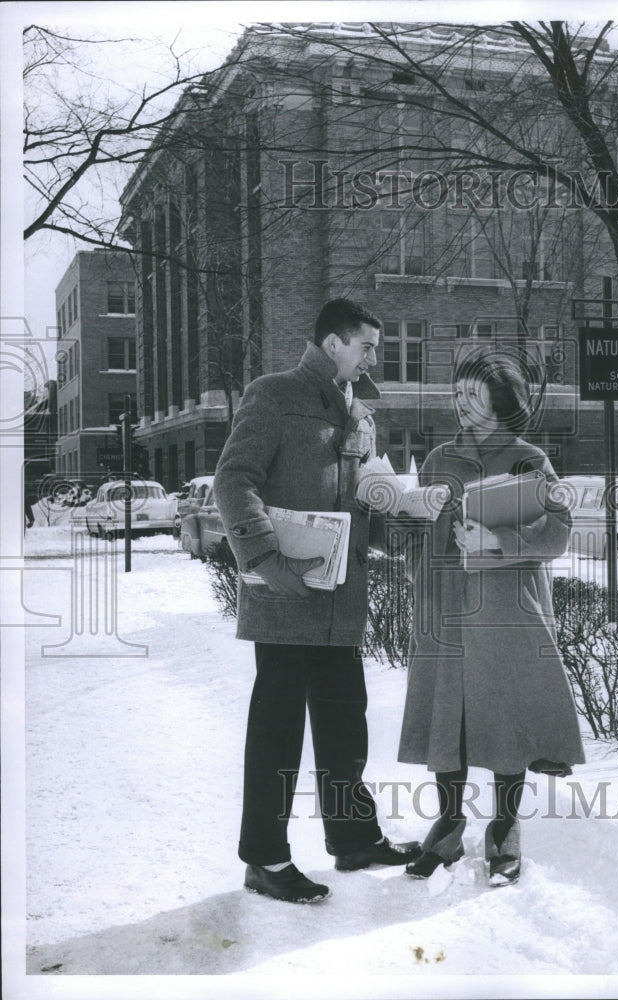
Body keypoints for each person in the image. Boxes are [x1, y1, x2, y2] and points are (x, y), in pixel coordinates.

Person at [214, 298, 420, 904]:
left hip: (340, 598)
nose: (374, 356)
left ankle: (353, 839)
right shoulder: (274, 394)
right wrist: (262, 558)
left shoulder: (361, 413)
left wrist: (390, 514)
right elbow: (234, 478)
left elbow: (357, 499)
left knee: (344, 724)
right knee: (277, 732)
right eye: (366, 345)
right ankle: (266, 859)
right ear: (333, 343)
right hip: (286, 593)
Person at [395, 353, 585, 886]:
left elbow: (560, 531)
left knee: (505, 715)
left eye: (471, 395)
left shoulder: (530, 458)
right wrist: (412, 535)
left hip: (507, 604)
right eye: (456, 394)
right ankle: (449, 825)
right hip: (444, 605)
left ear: (501, 402)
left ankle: (504, 829)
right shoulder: (437, 457)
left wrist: (499, 541)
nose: (460, 403)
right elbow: (413, 529)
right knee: (445, 714)